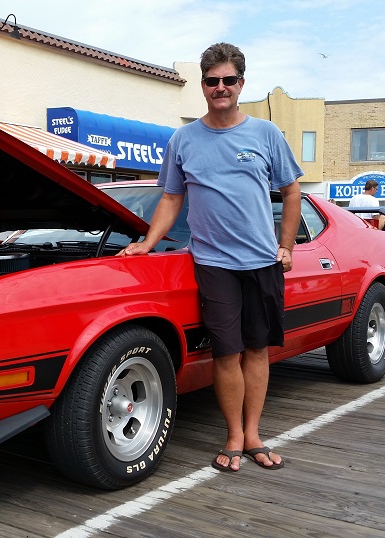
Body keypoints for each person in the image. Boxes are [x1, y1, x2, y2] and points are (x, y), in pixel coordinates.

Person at [117, 42, 302, 473]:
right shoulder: (183, 139)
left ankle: (254, 434)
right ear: (202, 85)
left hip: (261, 261)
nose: (220, 88)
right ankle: (234, 435)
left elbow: (291, 191)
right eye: (212, 81)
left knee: (257, 350)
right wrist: (147, 242)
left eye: (228, 81)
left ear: (241, 84)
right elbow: (171, 197)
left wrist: (286, 247)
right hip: (213, 263)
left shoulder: (266, 134)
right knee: (226, 352)